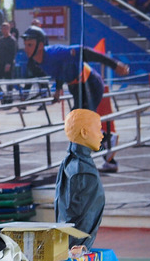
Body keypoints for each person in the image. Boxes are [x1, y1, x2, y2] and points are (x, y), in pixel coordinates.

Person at [20, 25, 130, 171]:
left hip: (89, 83)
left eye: (30, 44)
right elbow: (59, 70)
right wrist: (58, 88)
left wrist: (114, 65)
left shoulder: (54, 53)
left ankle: (106, 140)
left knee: (77, 125)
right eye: (25, 44)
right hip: (77, 87)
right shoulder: (36, 60)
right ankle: (110, 159)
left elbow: (84, 52)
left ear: (40, 45)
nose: (26, 48)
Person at [55, 108, 106, 249]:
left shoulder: (69, 163)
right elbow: (79, 220)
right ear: (84, 133)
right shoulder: (82, 171)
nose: (101, 135)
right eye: (98, 129)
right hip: (76, 250)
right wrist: (77, 248)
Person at [0, 22, 18, 104]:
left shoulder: (12, 40)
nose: (4, 30)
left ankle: (9, 100)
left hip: (8, 64)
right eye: (2, 28)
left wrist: (8, 63)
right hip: (0, 64)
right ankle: (3, 97)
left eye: (5, 28)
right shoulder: (1, 40)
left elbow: (13, 53)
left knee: (9, 84)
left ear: (9, 29)